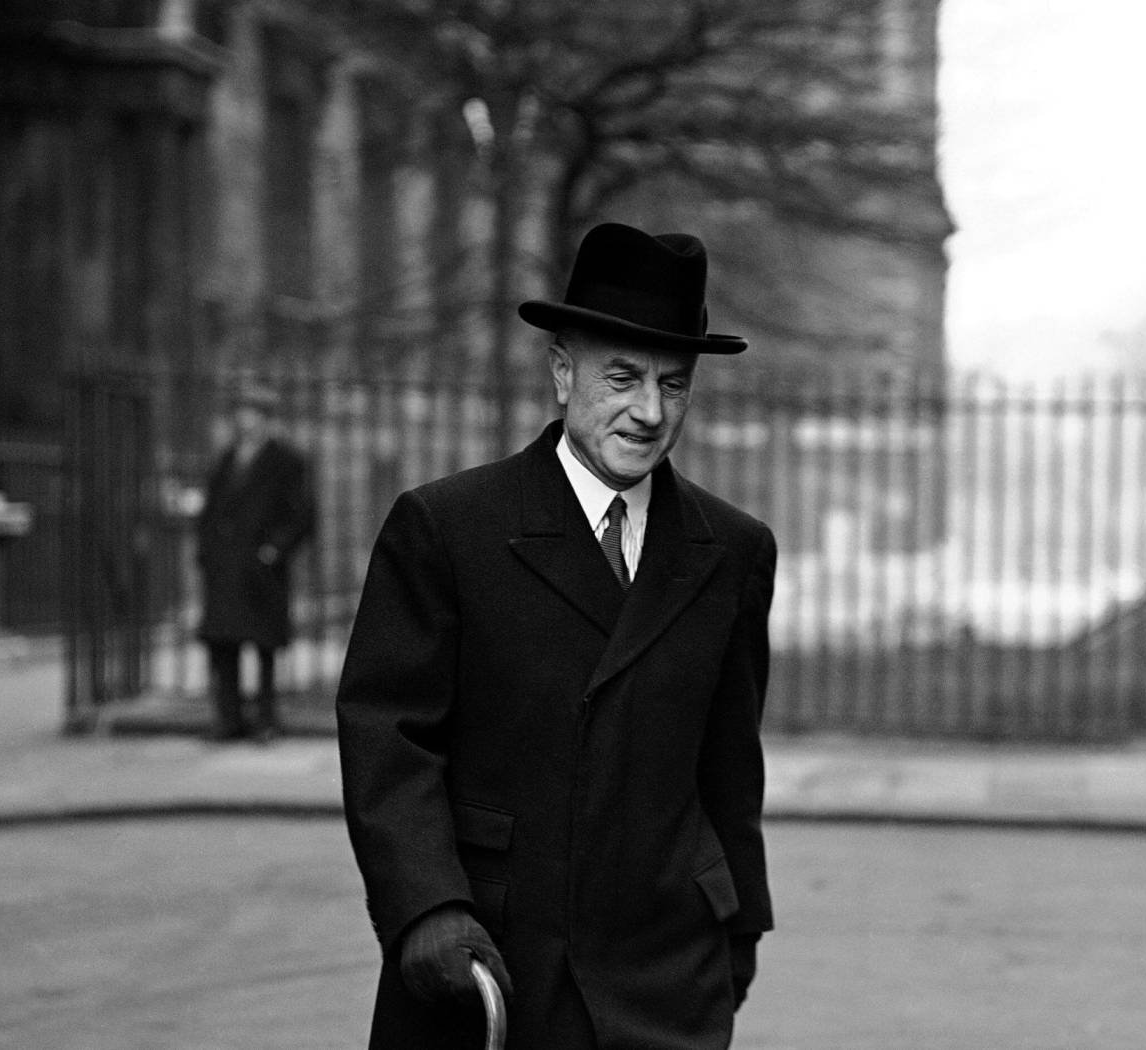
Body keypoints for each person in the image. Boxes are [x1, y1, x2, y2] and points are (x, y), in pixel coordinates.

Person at [337, 222, 778, 1049]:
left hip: (667, 979)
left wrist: (738, 928)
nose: (649, 412)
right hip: (492, 971)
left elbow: (729, 765)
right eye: (623, 377)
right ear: (563, 369)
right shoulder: (448, 529)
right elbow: (387, 737)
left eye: (674, 385)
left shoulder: (734, 552)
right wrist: (427, 908)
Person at [195, 381, 315, 742]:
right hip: (226, 568)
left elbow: (303, 516)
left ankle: (266, 718)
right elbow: (211, 510)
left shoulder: (286, 461)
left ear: (265, 418)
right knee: (224, 643)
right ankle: (228, 718)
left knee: (264, 646)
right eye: (241, 413)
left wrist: (274, 550)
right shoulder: (228, 459)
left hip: (261, 569)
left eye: (252, 413)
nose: (245, 420)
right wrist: (207, 553)